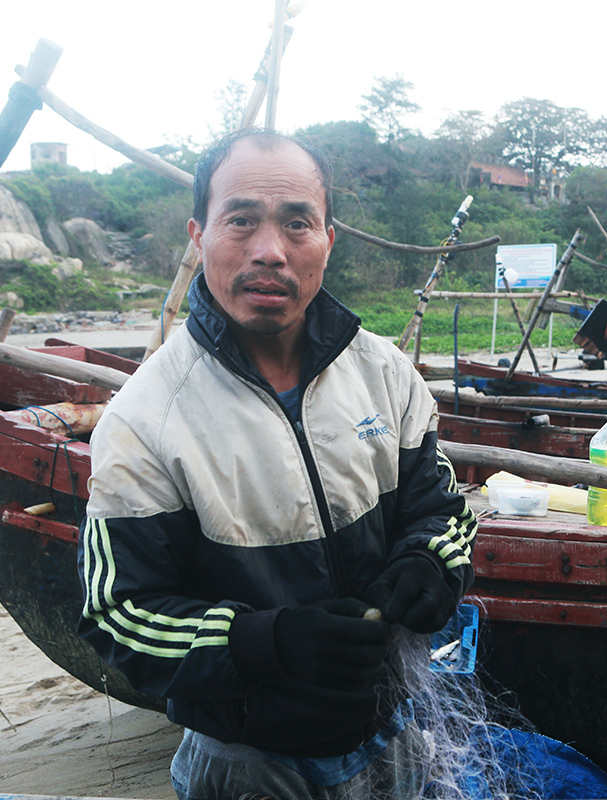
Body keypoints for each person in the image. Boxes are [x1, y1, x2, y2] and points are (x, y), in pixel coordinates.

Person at [76, 129, 477, 800]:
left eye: (298, 223)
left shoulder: (385, 374)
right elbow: (117, 614)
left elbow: (443, 512)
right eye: (241, 220)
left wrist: (430, 563)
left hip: (399, 734)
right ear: (199, 235)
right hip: (250, 765)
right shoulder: (145, 422)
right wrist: (267, 642)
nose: (270, 251)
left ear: (328, 239)